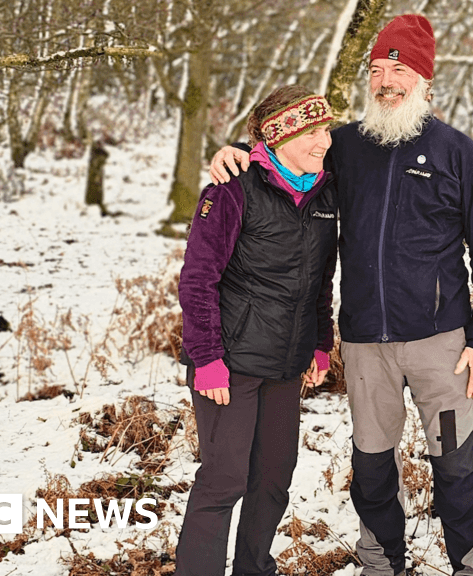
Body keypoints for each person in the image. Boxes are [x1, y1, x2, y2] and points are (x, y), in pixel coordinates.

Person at [210, 15, 473, 576]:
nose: (385, 81)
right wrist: (238, 153)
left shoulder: (456, 152)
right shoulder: (343, 146)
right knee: (372, 466)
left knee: (455, 465)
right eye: (376, 71)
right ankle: (380, 564)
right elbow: (285, 159)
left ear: (424, 79)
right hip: (366, 343)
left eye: (399, 70)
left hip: (442, 344)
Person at [176, 85, 338, 576]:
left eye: (326, 129)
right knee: (224, 479)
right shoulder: (232, 188)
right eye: (311, 132)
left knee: (272, 479)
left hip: (286, 364)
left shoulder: (325, 192)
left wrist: (320, 343)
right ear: (278, 137)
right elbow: (198, 279)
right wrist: (206, 359)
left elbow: (320, 279)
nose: (324, 142)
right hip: (231, 363)